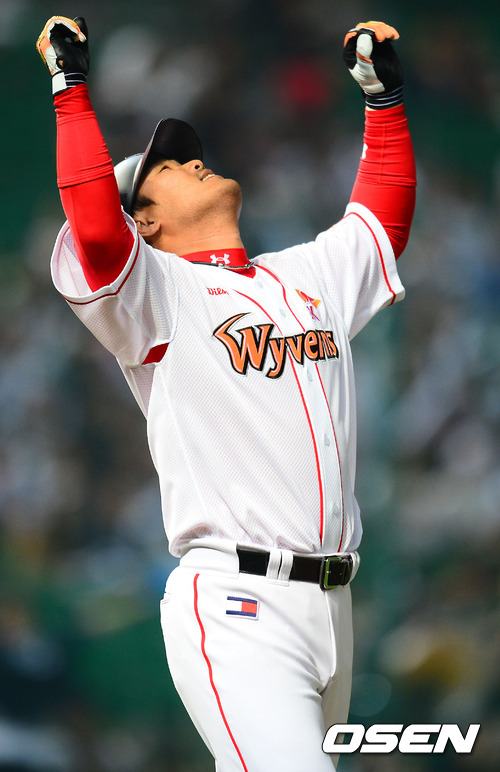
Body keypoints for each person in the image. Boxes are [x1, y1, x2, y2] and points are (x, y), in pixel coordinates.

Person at [36, 14, 416, 771]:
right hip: (239, 603)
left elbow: (380, 221)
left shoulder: (302, 275)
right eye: (166, 167)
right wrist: (70, 92)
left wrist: (383, 102)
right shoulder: (155, 294)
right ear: (144, 221)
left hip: (335, 605)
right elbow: (98, 232)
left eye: (188, 154)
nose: (191, 161)